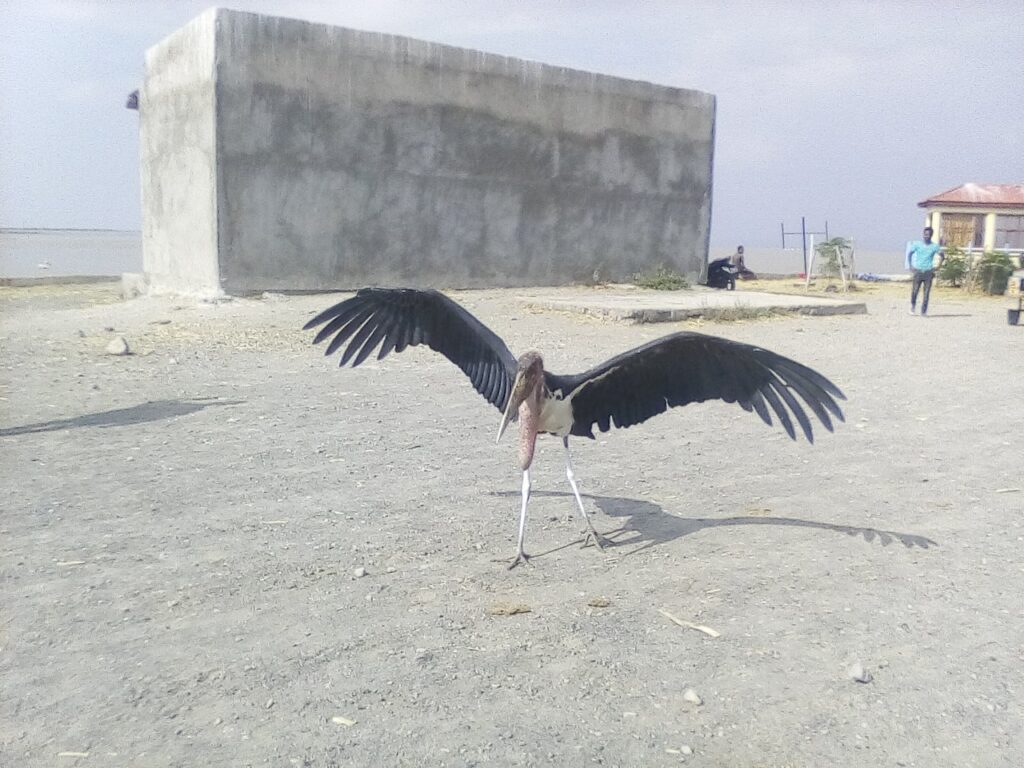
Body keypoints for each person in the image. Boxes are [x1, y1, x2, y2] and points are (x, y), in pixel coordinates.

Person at [906, 227, 944, 315]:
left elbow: (942, 255)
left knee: (926, 293)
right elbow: (910, 253)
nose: (926, 236)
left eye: (929, 235)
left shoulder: (934, 246)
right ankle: (912, 306)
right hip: (918, 271)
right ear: (923, 234)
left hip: (928, 272)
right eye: (925, 234)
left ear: (931, 235)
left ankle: (923, 311)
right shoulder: (917, 245)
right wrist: (911, 265)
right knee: (915, 291)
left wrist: (938, 266)